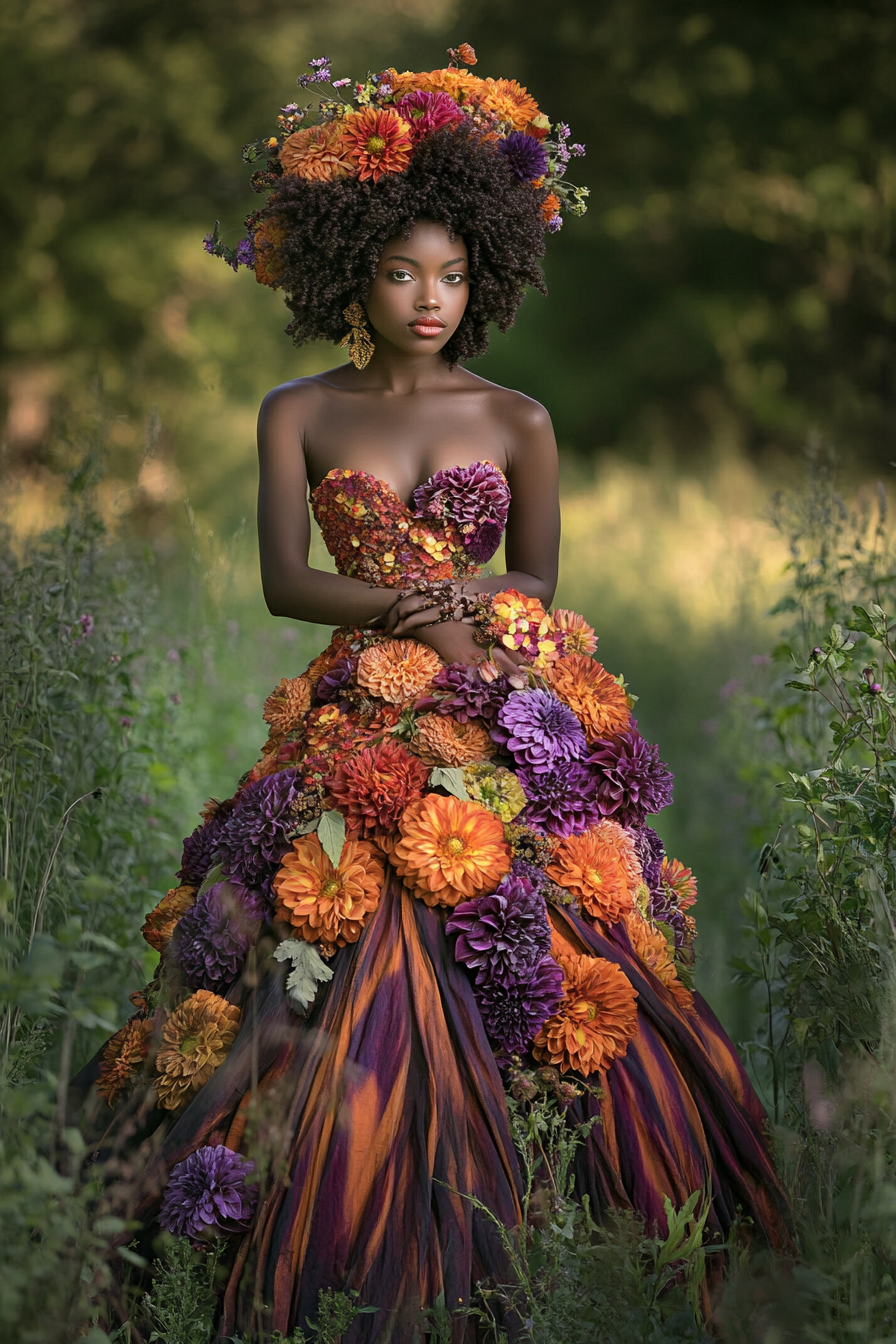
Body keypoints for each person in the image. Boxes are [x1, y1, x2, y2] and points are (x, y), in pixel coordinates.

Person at [75, 47, 790, 1343]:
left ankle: (573, 1209)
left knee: (562, 925)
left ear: (486, 276)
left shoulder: (519, 418)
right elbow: (288, 581)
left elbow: (537, 585)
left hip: (500, 694)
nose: (430, 298)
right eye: (404, 271)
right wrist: (399, 607)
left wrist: (471, 616)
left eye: (453, 274)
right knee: (307, 926)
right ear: (356, 268)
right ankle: (296, 1198)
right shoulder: (298, 412)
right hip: (360, 700)